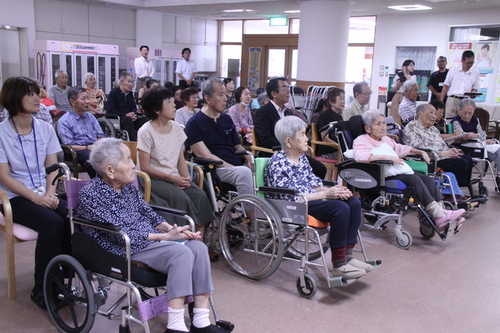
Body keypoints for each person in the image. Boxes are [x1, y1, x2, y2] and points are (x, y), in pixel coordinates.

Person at [77, 138, 225, 333]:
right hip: (124, 247)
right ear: (110, 170)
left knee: (198, 248)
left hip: (149, 241)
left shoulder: (128, 186)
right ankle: (175, 326)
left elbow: (147, 212)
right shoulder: (91, 194)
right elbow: (117, 233)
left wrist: (171, 229)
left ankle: (201, 320)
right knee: (182, 254)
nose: (133, 165)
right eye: (128, 160)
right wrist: (164, 238)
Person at [264, 116, 371, 279]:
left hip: (310, 199)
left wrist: (335, 190)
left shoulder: (302, 159)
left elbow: (314, 183)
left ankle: (348, 256)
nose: (307, 138)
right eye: (302, 134)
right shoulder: (277, 163)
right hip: (293, 206)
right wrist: (325, 194)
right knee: (339, 208)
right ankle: (339, 263)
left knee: (353, 202)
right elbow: (292, 197)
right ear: (288, 141)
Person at [0, 76, 70, 310]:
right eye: (30, 94)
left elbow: (53, 167)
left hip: (44, 191)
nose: (37, 98)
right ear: (13, 99)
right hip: (15, 197)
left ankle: (66, 275)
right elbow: (5, 177)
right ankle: (42, 286)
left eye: (36, 92)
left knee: (73, 215)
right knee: (52, 223)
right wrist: (36, 198)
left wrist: (50, 193)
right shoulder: (1, 133)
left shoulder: (44, 127)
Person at [353, 110, 466, 230]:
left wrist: (420, 152)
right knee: (414, 180)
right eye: (379, 124)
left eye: (384, 123)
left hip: (396, 171)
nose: (383, 127)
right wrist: (386, 157)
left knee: (428, 180)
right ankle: (440, 215)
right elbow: (360, 156)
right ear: (368, 128)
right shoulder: (361, 140)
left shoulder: (385, 139)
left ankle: (441, 215)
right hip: (381, 175)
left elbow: (401, 148)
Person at [137, 86, 213, 231]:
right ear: (157, 109)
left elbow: (180, 159)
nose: (174, 105)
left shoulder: (177, 127)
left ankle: (200, 243)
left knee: (200, 196)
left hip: (174, 176)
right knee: (181, 198)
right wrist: (172, 179)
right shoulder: (145, 131)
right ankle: (183, 239)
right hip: (152, 178)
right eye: (169, 102)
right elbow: (145, 167)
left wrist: (185, 179)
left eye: (173, 101)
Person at [184, 78, 253, 196]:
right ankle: (252, 214)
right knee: (244, 173)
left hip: (235, 164)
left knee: (261, 166)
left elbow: (237, 145)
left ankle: (270, 209)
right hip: (215, 168)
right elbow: (204, 155)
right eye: (221, 95)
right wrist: (233, 167)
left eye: (225, 95)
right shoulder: (194, 124)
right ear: (207, 98)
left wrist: (248, 156)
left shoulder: (226, 119)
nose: (225, 99)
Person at [254, 77, 327, 179]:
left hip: (292, 153)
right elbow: (266, 139)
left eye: (288, 87)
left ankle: (307, 191)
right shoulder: (263, 112)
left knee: (320, 168)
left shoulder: (287, 112)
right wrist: (288, 146)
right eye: (284, 88)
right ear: (274, 93)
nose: (288, 91)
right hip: (275, 154)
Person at [403, 104, 474, 191]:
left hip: (444, 155)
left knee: (468, 159)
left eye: (435, 114)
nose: (434, 116)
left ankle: (460, 188)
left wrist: (451, 151)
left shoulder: (433, 129)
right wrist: (442, 153)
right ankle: (454, 192)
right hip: (431, 159)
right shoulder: (411, 127)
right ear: (421, 113)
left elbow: (442, 144)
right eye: (431, 113)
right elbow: (416, 148)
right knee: (461, 163)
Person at [57, 86, 105, 178]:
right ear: (72, 102)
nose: (87, 102)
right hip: (79, 151)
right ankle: (99, 187)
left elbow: (100, 135)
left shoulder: (90, 116)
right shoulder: (65, 121)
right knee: (94, 158)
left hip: (95, 147)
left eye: (87, 98)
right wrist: (87, 147)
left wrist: (100, 142)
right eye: (83, 98)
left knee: (114, 154)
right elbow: (68, 147)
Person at [451, 98, 500, 187]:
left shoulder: (475, 119)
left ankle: (499, 177)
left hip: (479, 144)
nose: (467, 115)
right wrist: (476, 137)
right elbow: (460, 135)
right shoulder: (456, 121)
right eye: (464, 112)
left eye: (470, 113)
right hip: (468, 147)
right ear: (459, 110)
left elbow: (482, 133)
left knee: (498, 150)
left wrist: (480, 138)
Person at [107, 71, 149, 141]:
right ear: (121, 82)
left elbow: (133, 107)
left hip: (130, 118)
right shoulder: (113, 93)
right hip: (119, 118)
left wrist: (132, 113)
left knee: (145, 120)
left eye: (132, 82)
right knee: (127, 120)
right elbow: (110, 110)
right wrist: (125, 115)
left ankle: (146, 141)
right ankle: (133, 142)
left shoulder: (130, 94)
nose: (131, 84)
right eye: (129, 82)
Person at [440, 50, 480, 118]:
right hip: (452, 99)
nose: (470, 65)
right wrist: (441, 100)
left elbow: (474, 88)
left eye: (472, 62)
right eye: (467, 63)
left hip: (465, 100)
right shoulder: (453, 71)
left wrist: (473, 93)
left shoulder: (475, 72)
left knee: (464, 121)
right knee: (450, 121)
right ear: (462, 61)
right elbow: (446, 86)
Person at [316, 87, 344, 159]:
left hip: (337, 150)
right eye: (340, 99)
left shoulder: (339, 116)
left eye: (343, 98)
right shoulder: (325, 115)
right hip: (327, 151)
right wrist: (339, 147)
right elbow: (325, 138)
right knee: (350, 158)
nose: (343, 101)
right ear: (331, 102)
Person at [390, 60, 417, 125]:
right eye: (410, 65)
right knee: (395, 115)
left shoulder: (413, 76)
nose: (412, 67)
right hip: (398, 95)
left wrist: (405, 73)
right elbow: (394, 90)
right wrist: (398, 84)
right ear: (405, 66)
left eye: (413, 65)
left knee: (405, 116)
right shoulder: (398, 75)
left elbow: (411, 84)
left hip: (406, 96)